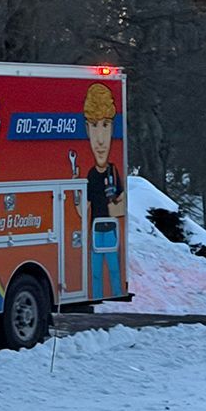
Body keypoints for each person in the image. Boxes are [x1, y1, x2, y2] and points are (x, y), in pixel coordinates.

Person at [84, 83, 126, 297]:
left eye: (106, 125)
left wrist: (115, 204)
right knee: (96, 272)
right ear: (87, 130)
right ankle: (98, 296)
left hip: (109, 229)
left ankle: (115, 294)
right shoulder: (90, 174)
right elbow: (86, 207)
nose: (100, 139)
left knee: (113, 268)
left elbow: (121, 203)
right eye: (94, 125)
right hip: (95, 230)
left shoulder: (113, 170)